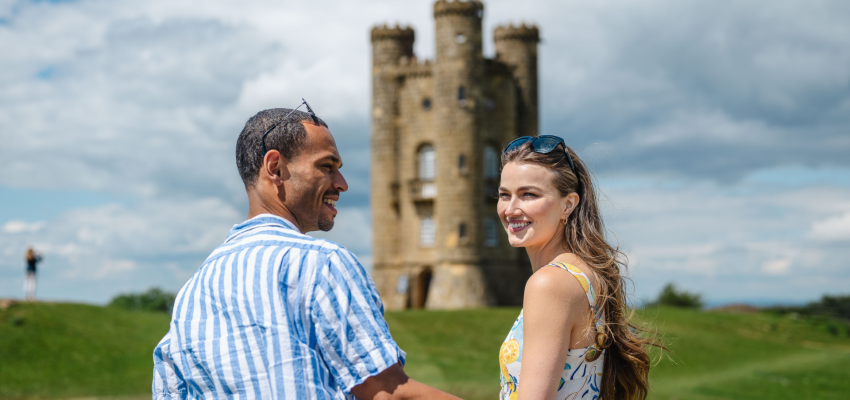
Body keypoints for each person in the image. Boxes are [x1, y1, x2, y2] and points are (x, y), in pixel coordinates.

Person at [152, 101, 460, 400]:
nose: (342, 184)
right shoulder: (321, 263)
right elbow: (387, 394)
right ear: (275, 167)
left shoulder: (191, 295)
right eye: (327, 167)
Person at [496, 136, 654, 400]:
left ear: (567, 204)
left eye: (528, 194)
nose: (510, 209)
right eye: (504, 195)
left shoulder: (549, 284)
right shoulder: (585, 273)